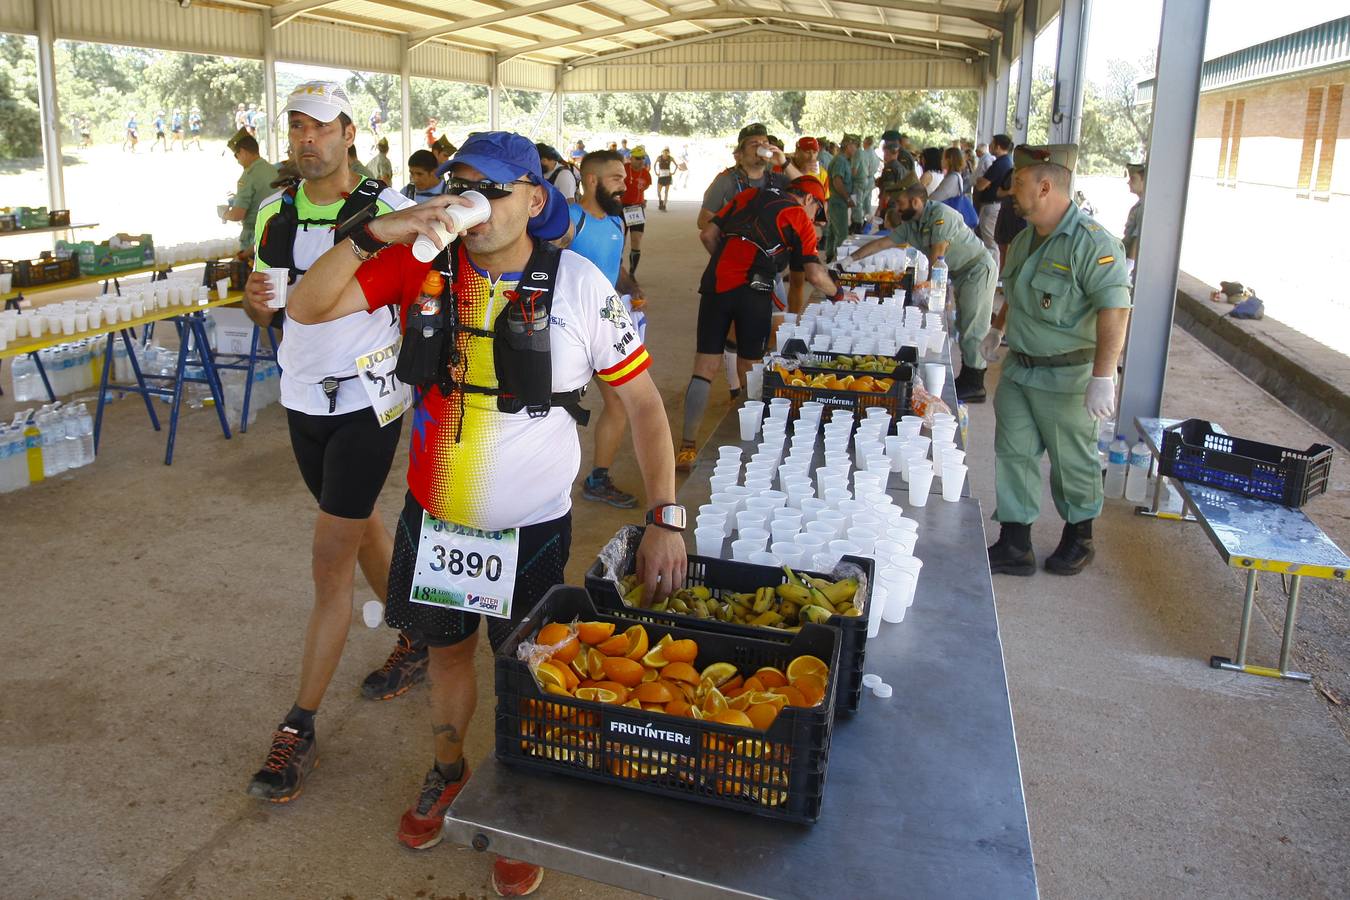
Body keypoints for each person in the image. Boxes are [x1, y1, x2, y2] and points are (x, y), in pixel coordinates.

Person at [281, 129, 686, 897]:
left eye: (491, 188)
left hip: (533, 525)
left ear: (534, 201)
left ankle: (521, 803)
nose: (471, 200)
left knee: (526, 666)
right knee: (445, 655)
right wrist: (376, 232)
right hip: (437, 519)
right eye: (459, 183)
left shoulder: (578, 286)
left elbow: (641, 405)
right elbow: (306, 307)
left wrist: (667, 516)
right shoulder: (421, 265)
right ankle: (447, 770)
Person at [239, 81, 429, 805]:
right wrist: (255, 306)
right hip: (300, 398)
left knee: (328, 560)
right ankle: (413, 635)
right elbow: (269, 300)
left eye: (319, 127)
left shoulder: (386, 212)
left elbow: (417, 294)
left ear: (349, 132)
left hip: (367, 400)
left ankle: (298, 726)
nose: (305, 139)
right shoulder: (273, 211)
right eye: (295, 127)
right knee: (355, 525)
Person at [981, 144, 1132, 577]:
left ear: (1045, 186)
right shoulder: (1028, 237)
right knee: (1013, 454)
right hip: (1020, 371)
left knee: (1072, 461)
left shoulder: (1094, 244)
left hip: (1068, 375)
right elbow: (1018, 289)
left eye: (1020, 183)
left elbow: (1114, 310)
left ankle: (1079, 537)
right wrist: (998, 328)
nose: (1011, 190)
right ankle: (1015, 542)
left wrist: (1104, 376)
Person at [677, 176, 857, 470]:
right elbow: (814, 274)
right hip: (754, 290)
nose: (815, 219)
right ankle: (748, 447)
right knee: (749, 366)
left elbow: (708, 235)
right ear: (810, 201)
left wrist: (729, 264)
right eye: (817, 213)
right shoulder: (798, 216)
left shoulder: (748, 195)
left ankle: (687, 447)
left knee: (704, 368)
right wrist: (838, 294)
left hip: (715, 283)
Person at [844, 182, 994, 402]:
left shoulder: (940, 215)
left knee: (973, 326)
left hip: (976, 269)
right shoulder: (912, 223)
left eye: (901, 204)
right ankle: (968, 376)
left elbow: (938, 253)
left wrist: (931, 286)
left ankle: (975, 384)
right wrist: (850, 259)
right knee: (964, 324)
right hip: (960, 273)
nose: (897, 209)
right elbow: (883, 243)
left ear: (916, 202)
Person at [558, 149, 646, 509]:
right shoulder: (569, 219)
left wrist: (631, 287)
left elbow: (612, 268)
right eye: (616, 178)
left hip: (606, 329)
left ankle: (598, 477)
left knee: (620, 402)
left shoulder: (615, 222)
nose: (624, 185)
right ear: (591, 180)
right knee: (554, 408)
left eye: (624, 178)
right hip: (567, 332)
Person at [699, 123, 798, 396]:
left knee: (775, 328)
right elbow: (703, 221)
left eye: (764, 142)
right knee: (735, 330)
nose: (761, 148)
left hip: (770, 269)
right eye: (753, 143)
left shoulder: (778, 179)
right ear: (739, 152)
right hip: (736, 270)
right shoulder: (727, 181)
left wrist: (784, 161)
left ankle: (760, 386)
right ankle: (737, 388)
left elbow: (808, 190)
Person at [223, 133, 280, 256]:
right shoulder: (272, 169)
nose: (238, 161)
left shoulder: (248, 176)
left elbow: (237, 215)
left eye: (236, 155)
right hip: (275, 233)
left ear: (243, 152)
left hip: (255, 237)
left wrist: (224, 214)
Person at [973, 134, 1013, 253]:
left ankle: (992, 270)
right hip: (994, 204)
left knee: (990, 242)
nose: (989, 146)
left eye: (992, 143)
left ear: (998, 146)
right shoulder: (1006, 161)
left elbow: (980, 185)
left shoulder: (1000, 163)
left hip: (991, 205)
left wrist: (981, 180)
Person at [825, 134, 859, 260]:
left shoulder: (843, 160)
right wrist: (847, 198)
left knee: (833, 231)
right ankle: (839, 260)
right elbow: (837, 181)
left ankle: (830, 256)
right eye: (855, 146)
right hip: (838, 201)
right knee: (842, 234)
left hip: (837, 201)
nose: (856, 149)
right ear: (848, 146)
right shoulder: (840, 161)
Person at [621, 145, 653, 274]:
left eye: (643, 158)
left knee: (636, 239)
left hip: (636, 208)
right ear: (631, 158)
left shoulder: (645, 173)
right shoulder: (623, 169)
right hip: (621, 207)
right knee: (620, 240)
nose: (641, 161)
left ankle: (632, 273)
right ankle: (617, 269)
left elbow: (645, 187)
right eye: (638, 158)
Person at [851, 135, 880, 232]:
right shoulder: (876, 156)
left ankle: (857, 223)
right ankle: (868, 223)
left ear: (867, 143)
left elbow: (855, 169)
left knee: (857, 202)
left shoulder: (862, 153)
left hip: (860, 180)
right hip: (870, 180)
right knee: (867, 203)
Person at [1123, 162, 1146, 275]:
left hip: (1135, 269)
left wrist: (1129, 265)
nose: (1129, 182)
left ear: (1144, 181)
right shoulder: (1140, 205)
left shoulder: (1145, 207)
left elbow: (1137, 238)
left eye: (1133, 179)